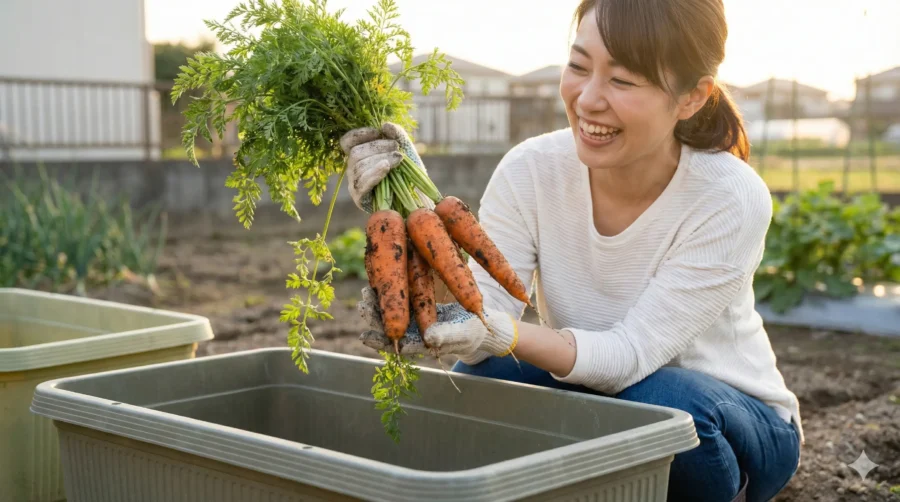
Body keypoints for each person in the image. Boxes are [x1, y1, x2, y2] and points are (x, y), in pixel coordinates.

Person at [340, 0, 803, 500]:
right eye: (579, 67)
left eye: (622, 82)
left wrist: (499, 332)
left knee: (662, 401)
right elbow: (484, 310)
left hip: (735, 419)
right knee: (481, 374)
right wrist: (412, 214)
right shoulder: (533, 168)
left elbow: (628, 357)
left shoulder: (728, 195)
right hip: (598, 392)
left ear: (692, 96)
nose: (587, 100)